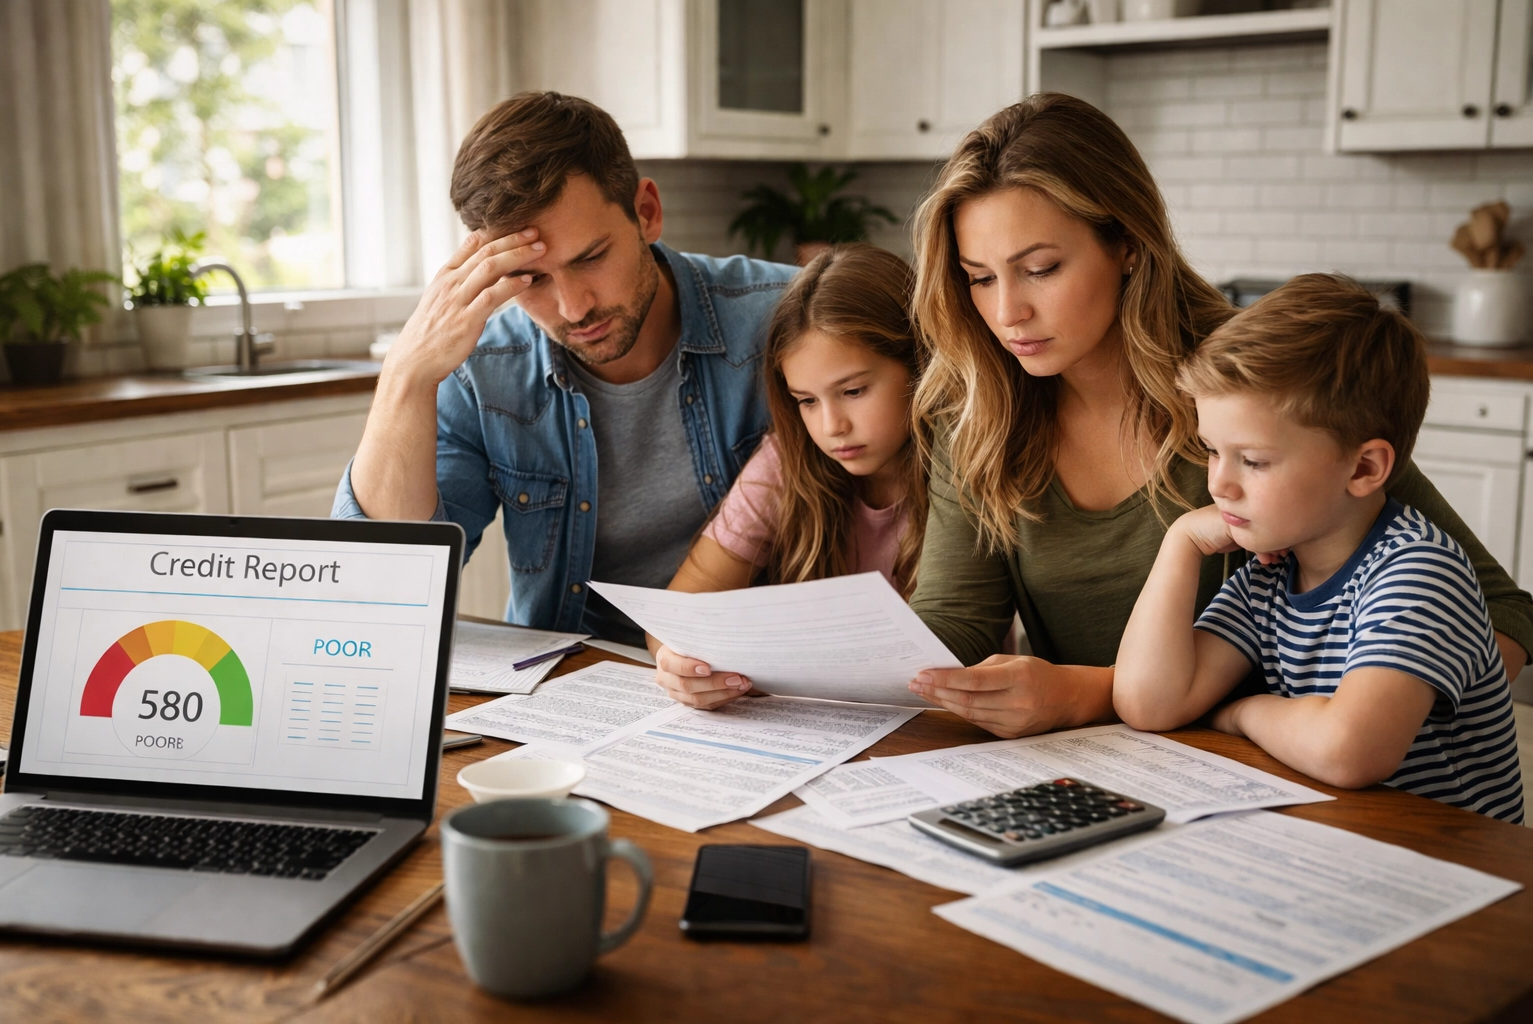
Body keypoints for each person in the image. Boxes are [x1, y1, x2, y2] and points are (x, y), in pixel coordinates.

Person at [903, 92, 1533, 738]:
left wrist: (1380, 730)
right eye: (979, 277)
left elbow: (1502, 613)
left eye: (1040, 269)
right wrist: (819, 665)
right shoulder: (977, 407)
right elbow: (958, 623)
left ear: (1127, 243)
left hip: (1272, 774)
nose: (1008, 312)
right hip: (1091, 767)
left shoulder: (1247, 384)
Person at [332, 93, 796, 645]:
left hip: (764, 676)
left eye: (591, 257)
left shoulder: (788, 318)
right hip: (572, 680)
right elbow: (382, 592)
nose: (574, 308)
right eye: (533, 279)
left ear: (646, 212)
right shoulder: (482, 371)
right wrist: (406, 376)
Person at [1114, 276, 1523, 821]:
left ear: (1363, 468)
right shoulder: (1270, 574)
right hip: (1340, 841)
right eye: (1212, 451)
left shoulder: (1419, 572)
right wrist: (1180, 543)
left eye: (1253, 461)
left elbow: (1348, 751)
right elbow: (1149, 704)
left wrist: (1243, 713)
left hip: (1451, 863)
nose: (1219, 484)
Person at [651, 245, 927, 709]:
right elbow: (674, 620)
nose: (831, 426)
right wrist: (679, 666)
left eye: (854, 391)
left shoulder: (966, 465)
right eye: (807, 401)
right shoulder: (786, 461)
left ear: (919, 365)